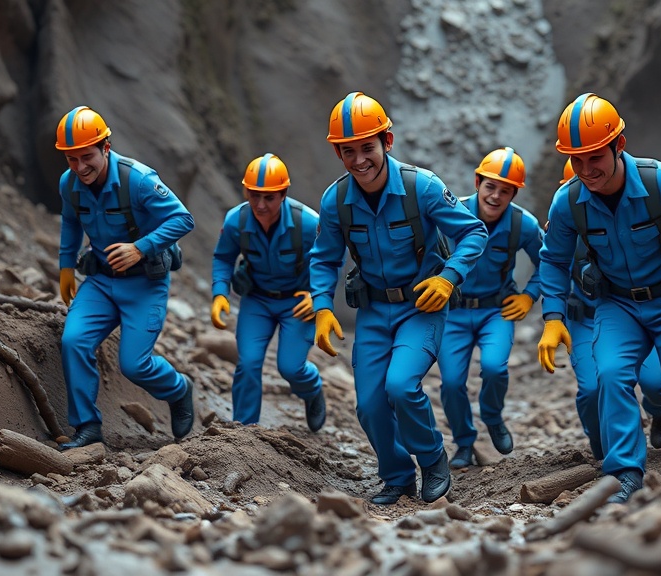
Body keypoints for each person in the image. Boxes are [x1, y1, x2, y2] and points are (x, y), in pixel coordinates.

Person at [537, 93, 661, 503]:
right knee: (610, 375)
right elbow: (553, 260)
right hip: (618, 306)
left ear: (618, 145)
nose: (587, 169)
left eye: (595, 156)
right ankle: (626, 473)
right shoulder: (568, 201)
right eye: (577, 160)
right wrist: (554, 317)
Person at [310, 92, 488, 505]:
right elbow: (323, 259)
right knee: (370, 406)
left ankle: (432, 459)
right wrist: (321, 307)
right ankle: (396, 476)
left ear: (387, 142)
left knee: (401, 386)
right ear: (339, 152)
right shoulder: (335, 201)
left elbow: (474, 232)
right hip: (373, 311)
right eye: (348, 151)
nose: (359, 160)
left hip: (421, 307)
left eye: (367, 148)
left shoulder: (421, 187)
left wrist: (448, 278)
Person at [55, 105, 195, 450]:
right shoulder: (69, 184)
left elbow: (182, 219)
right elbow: (71, 223)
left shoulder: (139, 180)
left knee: (134, 364)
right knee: (74, 341)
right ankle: (87, 426)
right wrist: (65, 267)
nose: (80, 167)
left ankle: (179, 389)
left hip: (145, 284)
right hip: (100, 282)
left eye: (86, 156)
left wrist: (141, 247)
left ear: (105, 147)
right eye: (71, 159)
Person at [559, 159, 661, 461]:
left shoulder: (626, 215)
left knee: (656, 382)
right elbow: (548, 269)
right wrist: (550, 317)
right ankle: (602, 442)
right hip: (585, 319)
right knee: (591, 389)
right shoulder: (561, 224)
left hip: (630, 314)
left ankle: (659, 410)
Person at [438, 147, 543, 469]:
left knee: (495, 367)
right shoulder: (451, 213)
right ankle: (464, 443)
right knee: (452, 382)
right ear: (477, 182)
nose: (496, 196)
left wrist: (530, 295)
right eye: (490, 187)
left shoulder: (522, 224)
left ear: (514, 193)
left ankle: (493, 416)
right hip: (453, 311)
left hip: (495, 311)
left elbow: (550, 262)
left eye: (506, 190)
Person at [210, 154, 326, 431]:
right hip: (257, 300)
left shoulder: (308, 223)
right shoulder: (236, 221)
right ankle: (245, 430)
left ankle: (312, 392)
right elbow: (223, 258)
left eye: (269, 197)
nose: (261, 205)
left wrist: (318, 295)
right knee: (248, 363)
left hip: (297, 303)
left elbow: (330, 259)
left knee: (291, 368)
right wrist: (219, 293)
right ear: (245, 191)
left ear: (284, 194)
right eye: (254, 195)